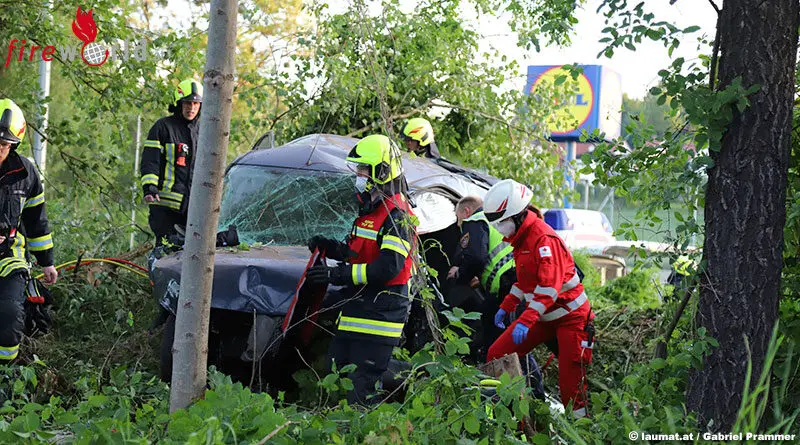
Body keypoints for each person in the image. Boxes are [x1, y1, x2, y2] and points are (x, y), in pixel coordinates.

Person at [306, 134, 416, 406]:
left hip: (379, 319)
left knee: (360, 395)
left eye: (363, 170)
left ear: (382, 172)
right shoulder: (371, 212)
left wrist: (337, 274)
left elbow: (387, 267)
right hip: (357, 313)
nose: (359, 175)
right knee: (333, 375)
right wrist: (331, 249)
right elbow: (358, 253)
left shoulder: (397, 216)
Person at [483, 179, 594, 418]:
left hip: (570, 319)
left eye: (501, 222)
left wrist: (525, 320)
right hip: (544, 317)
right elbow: (525, 283)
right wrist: (508, 305)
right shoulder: (521, 239)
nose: (499, 228)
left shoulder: (544, 240)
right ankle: (518, 419)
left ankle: (583, 433)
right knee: (497, 353)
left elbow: (548, 288)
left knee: (571, 389)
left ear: (518, 216)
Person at [0, 98, 58, 364]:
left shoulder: (26, 173)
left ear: (13, 145)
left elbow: (37, 221)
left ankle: (5, 375)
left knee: (10, 315)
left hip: (9, 257)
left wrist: (47, 263)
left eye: (3, 144)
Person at [447, 195, 515, 360]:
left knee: (499, 345)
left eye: (458, 218)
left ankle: (501, 380)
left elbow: (476, 257)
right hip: (514, 282)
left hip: (505, 287)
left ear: (467, 211)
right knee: (512, 344)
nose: (458, 224)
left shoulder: (475, 220)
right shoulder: (494, 220)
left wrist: (460, 274)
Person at [140, 78, 202, 246]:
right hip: (165, 208)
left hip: (194, 209)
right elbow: (150, 161)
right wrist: (149, 188)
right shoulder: (163, 127)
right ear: (179, 103)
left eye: (196, 104)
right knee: (165, 253)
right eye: (188, 103)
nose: (192, 108)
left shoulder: (205, 130)